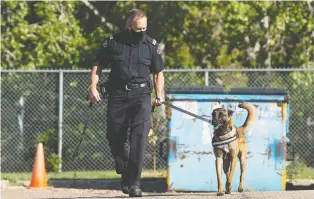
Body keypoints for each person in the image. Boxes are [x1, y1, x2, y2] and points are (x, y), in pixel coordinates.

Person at [88, 9, 164, 197]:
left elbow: (158, 73)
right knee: (114, 135)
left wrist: (159, 94)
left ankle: (135, 184)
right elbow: (98, 66)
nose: (142, 32)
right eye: (139, 29)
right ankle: (124, 167)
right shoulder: (113, 43)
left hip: (142, 96)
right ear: (129, 26)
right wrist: (93, 87)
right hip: (118, 95)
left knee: (139, 139)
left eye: (145, 28)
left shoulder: (150, 45)